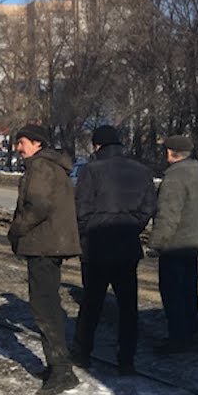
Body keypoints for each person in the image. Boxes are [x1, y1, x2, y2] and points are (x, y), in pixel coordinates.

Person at [71, 125, 157, 376]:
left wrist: (90, 231)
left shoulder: (91, 170)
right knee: (128, 307)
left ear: (98, 146)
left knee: (91, 304)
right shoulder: (141, 171)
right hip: (127, 247)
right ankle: (126, 360)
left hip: (96, 249)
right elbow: (148, 206)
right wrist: (131, 227)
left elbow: (81, 209)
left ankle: (82, 354)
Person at [7, 124, 81, 395]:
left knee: (44, 308)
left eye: (22, 142)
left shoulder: (39, 167)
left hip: (43, 246)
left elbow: (37, 205)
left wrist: (16, 229)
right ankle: (57, 366)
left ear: (37, 143)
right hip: (51, 245)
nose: (18, 147)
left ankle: (62, 371)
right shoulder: (53, 166)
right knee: (47, 305)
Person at [148, 134, 198, 354]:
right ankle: (190, 330)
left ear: (170, 152)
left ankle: (177, 338)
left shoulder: (174, 178)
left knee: (173, 293)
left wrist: (156, 243)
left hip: (174, 245)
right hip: (192, 242)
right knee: (188, 291)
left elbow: (167, 215)